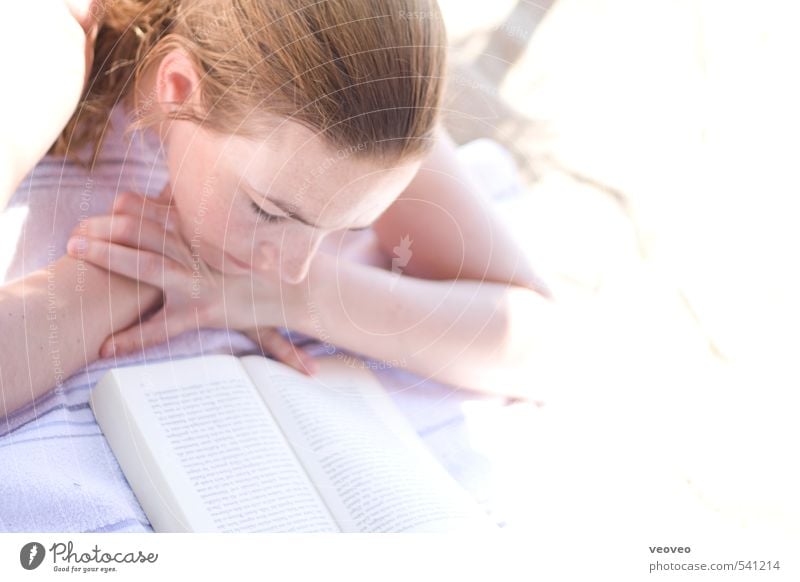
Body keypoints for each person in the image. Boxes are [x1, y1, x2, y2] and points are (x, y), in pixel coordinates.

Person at [0, 0, 550, 421]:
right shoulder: (40, 51)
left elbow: (538, 347)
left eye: (343, 227)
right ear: (177, 87)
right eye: (269, 212)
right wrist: (131, 275)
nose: (291, 264)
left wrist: (278, 295)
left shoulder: (358, 106)